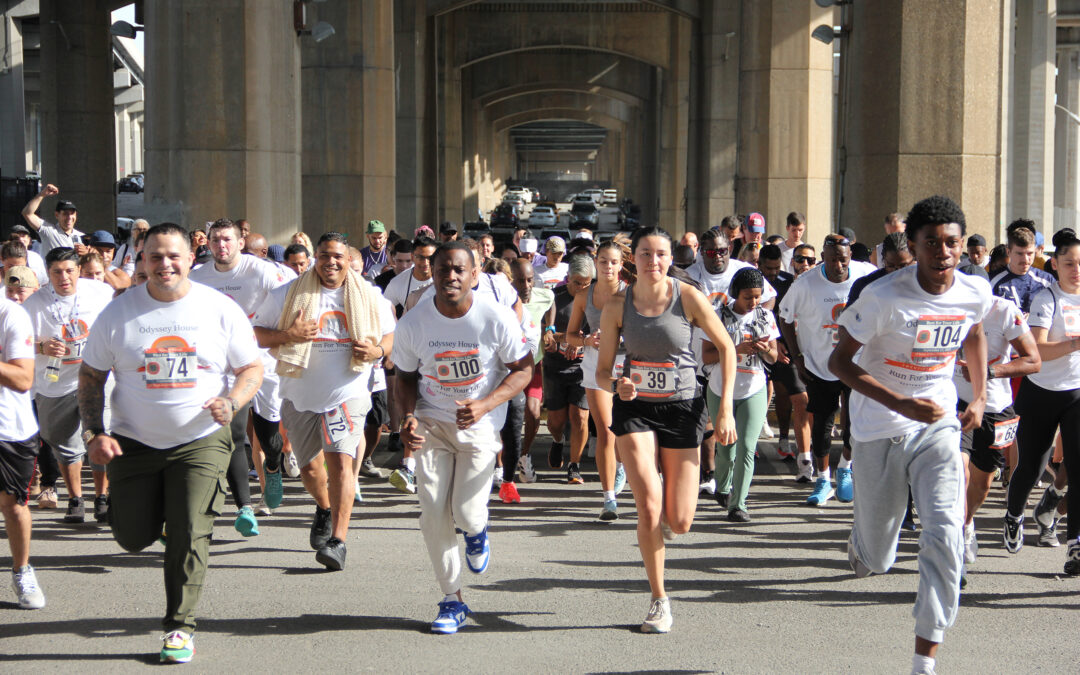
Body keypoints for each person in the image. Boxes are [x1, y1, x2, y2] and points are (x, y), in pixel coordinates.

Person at [79, 222, 265, 663]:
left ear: (189, 259)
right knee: (130, 537)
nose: (165, 264)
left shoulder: (219, 308)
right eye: (155, 256)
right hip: (133, 442)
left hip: (199, 440)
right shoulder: (118, 313)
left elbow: (251, 369)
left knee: (189, 530)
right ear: (141, 260)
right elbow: (90, 377)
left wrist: (232, 401)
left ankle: (179, 628)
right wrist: (94, 433)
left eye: (174, 256)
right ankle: (161, 518)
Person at [831, 195, 991, 675]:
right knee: (880, 557)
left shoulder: (973, 292)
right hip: (880, 427)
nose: (943, 252)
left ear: (961, 247)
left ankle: (925, 658)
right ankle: (862, 545)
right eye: (932, 243)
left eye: (951, 243)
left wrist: (979, 396)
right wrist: (898, 402)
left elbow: (976, 333)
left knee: (945, 531)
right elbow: (840, 362)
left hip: (938, 424)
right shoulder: (881, 298)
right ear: (915, 246)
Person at [597, 226, 737, 633]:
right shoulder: (617, 306)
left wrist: (723, 409)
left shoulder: (687, 296)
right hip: (634, 407)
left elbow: (726, 347)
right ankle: (659, 599)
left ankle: (664, 512)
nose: (653, 262)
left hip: (682, 407)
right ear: (632, 260)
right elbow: (605, 371)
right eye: (645, 254)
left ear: (668, 257)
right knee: (648, 507)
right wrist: (615, 385)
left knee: (679, 521)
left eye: (660, 254)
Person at [394, 241, 532, 634]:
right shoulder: (414, 323)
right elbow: (404, 377)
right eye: (442, 270)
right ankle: (452, 600)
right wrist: (406, 418)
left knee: (467, 513)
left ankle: (477, 532)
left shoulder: (495, 318)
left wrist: (487, 404)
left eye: (458, 270)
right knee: (433, 514)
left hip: (480, 427)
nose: (450, 277)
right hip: (431, 424)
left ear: (475, 275)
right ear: (432, 274)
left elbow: (523, 369)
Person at [253, 232, 393, 569]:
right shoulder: (286, 293)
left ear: (348, 259)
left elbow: (389, 335)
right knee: (311, 469)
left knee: (342, 464)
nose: (331, 262)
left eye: (338, 256)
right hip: (300, 394)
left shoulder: (368, 295)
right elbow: (257, 334)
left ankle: (338, 541)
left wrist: (376, 351)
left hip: (348, 392)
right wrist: (289, 335)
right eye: (325, 256)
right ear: (316, 257)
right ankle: (325, 508)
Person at [190, 218, 292, 531]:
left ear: (240, 242)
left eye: (227, 240)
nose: (221, 246)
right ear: (207, 243)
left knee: (269, 436)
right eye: (216, 240)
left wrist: (289, 336)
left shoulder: (260, 270)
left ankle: (273, 466)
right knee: (234, 433)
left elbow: (292, 298)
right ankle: (244, 505)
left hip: (263, 357)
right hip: (223, 365)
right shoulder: (198, 277)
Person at [1002, 232, 1080, 575]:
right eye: (1069, 264)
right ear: (1054, 265)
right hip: (1041, 392)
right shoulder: (1047, 298)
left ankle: (1075, 546)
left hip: (1077, 393)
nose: (1076, 270)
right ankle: (1015, 514)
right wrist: (1076, 344)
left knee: (1078, 472)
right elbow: (1038, 349)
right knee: (1031, 468)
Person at [22, 247, 115, 523]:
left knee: (99, 435)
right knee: (62, 441)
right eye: (57, 272)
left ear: (78, 270)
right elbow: (18, 342)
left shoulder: (99, 293)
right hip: (54, 384)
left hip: (96, 379)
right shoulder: (34, 303)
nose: (64, 277)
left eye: (69, 271)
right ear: (47, 274)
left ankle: (102, 497)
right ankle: (76, 499)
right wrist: (42, 345)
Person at [778, 233, 870, 501]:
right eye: (831, 261)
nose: (838, 266)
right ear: (822, 260)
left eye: (842, 260)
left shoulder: (865, 276)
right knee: (822, 424)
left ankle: (845, 469)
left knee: (854, 424)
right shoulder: (806, 283)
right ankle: (822, 479)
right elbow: (785, 318)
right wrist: (797, 356)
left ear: (850, 256)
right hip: (820, 363)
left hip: (856, 362)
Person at [953, 294, 1038, 564]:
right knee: (958, 470)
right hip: (954, 402)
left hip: (995, 407)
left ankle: (966, 523)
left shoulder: (1004, 310)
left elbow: (1033, 361)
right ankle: (951, 537)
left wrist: (987, 372)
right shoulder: (945, 304)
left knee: (982, 481)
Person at [702, 267, 778, 521]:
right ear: (736, 293)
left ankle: (739, 504)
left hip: (753, 387)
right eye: (748, 297)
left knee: (747, 446)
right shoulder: (716, 316)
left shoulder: (765, 316)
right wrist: (735, 349)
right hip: (721, 389)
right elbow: (707, 356)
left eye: (757, 296)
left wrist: (765, 349)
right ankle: (722, 488)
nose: (753, 302)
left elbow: (774, 357)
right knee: (726, 447)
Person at [567, 239, 630, 519]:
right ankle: (609, 499)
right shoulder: (584, 295)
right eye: (603, 261)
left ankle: (627, 469)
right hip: (595, 367)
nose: (608, 267)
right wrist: (587, 340)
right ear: (595, 262)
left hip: (628, 367)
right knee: (606, 430)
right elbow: (570, 336)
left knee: (630, 430)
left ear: (621, 265)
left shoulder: (633, 294)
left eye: (613, 262)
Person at [0, 290, 44, 609]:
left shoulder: (11, 315)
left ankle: (21, 570)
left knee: (13, 506)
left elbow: (22, 378)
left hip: (9, 428)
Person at [541, 255, 591, 499]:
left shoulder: (596, 302)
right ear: (568, 278)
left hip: (583, 367)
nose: (581, 287)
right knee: (556, 420)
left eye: (586, 283)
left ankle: (574, 465)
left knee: (580, 416)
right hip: (556, 366)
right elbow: (546, 335)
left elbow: (603, 333)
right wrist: (564, 339)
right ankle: (558, 439)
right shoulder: (555, 299)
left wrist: (580, 343)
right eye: (577, 282)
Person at [507, 258, 554, 502]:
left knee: (534, 414)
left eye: (529, 280)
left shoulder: (543, 296)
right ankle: (504, 465)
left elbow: (551, 302)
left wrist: (550, 328)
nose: (525, 285)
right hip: (508, 368)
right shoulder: (502, 299)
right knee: (507, 417)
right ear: (510, 280)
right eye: (519, 280)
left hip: (533, 365)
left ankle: (524, 456)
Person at [991, 222, 1054, 314]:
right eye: (1019, 254)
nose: (1025, 259)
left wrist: (1033, 317)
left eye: (1030, 253)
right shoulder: (993, 281)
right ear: (1008, 252)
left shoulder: (1047, 280)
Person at [20, 184, 87, 258]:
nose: (69, 217)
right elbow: (27, 214)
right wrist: (42, 194)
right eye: (65, 214)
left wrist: (86, 253)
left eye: (72, 214)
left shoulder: (81, 236)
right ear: (57, 215)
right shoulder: (48, 230)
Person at [384, 237, 437, 317]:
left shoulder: (443, 281)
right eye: (421, 257)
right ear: (412, 257)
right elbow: (383, 310)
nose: (425, 262)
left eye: (430, 258)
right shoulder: (397, 282)